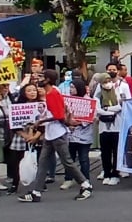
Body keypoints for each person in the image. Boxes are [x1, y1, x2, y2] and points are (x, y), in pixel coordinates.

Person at [18, 69, 93, 202]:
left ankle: (85, 185)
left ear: (47, 79)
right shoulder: (51, 92)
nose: (38, 79)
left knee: (67, 162)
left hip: (58, 134)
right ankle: (36, 192)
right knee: (43, 162)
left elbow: (58, 115)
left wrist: (41, 121)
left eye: (41, 77)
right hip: (51, 133)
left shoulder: (52, 93)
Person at [7, 84, 44, 194]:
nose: (33, 92)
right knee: (17, 162)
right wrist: (25, 135)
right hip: (20, 137)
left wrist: (35, 136)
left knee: (37, 161)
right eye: (29, 90)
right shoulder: (17, 105)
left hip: (37, 137)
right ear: (24, 92)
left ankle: (38, 184)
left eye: (34, 90)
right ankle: (15, 183)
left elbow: (43, 122)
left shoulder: (41, 105)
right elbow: (14, 124)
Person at [61, 80, 93, 190]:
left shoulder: (88, 101)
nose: (71, 89)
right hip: (70, 135)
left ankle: (86, 179)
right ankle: (68, 179)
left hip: (84, 135)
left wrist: (76, 123)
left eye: (73, 87)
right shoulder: (67, 101)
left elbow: (90, 118)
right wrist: (68, 123)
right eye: (70, 87)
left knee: (84, 158)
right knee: (69, 158)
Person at [94, 73, 124, 186]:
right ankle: (107, 173)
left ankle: (115, 174)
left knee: (116, 152)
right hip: (103, 128)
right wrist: (111, 111)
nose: (107, 84)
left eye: (109, 81)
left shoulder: (117, 91)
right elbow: (98, 110)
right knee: (105, 153)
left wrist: (106, 108)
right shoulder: (97, 94)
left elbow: (121, 106)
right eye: (105, 82)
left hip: (116, 127)